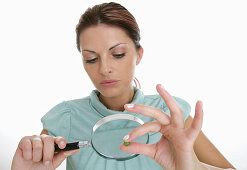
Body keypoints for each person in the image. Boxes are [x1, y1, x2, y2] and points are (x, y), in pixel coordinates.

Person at [11, 2, 235, 170]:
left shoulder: (170, 114)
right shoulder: (66, 117)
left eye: (117, 54)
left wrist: (191, 165)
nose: (104, 69)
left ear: (139, 55)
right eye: (91, 58)